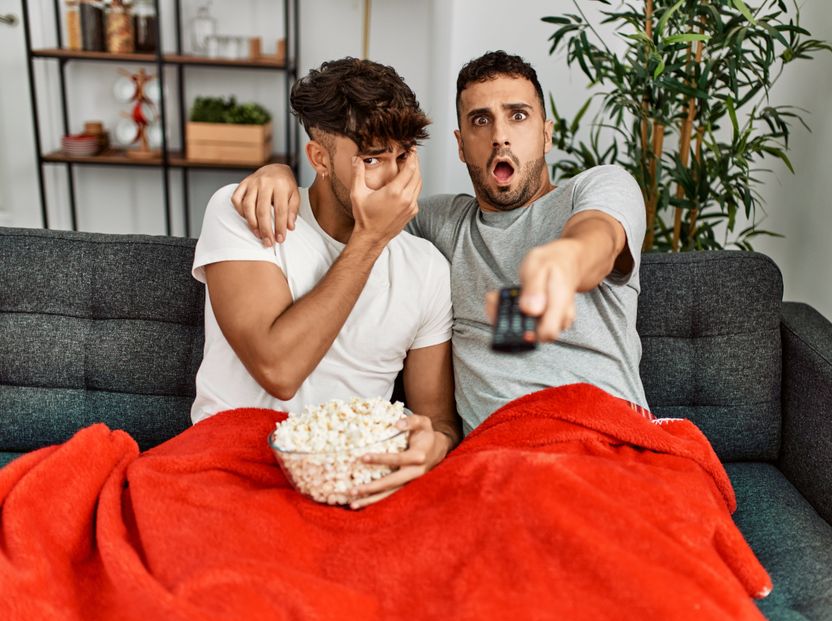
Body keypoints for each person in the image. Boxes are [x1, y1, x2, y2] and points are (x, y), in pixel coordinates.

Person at [233, 50, 648, 437]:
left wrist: (566, 262)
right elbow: (353, 215)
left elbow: (599, 236)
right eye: (481, 120)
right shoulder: (439, 223)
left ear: (546, 134)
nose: (500, 136)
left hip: (608, 435)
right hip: (499, 450)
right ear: (461, 145)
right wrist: (280, 175)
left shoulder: (596, 188)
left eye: (518, 116)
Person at [192, 58, 460, 509]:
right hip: (232, 470)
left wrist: (435, 444)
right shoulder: (246, 214)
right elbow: (279, 370)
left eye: (402, 157)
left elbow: (438, 419)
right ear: (319, 158)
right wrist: (370, 240)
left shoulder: (427, 268)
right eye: (372, 159)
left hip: (352, 482)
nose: (393, 181)